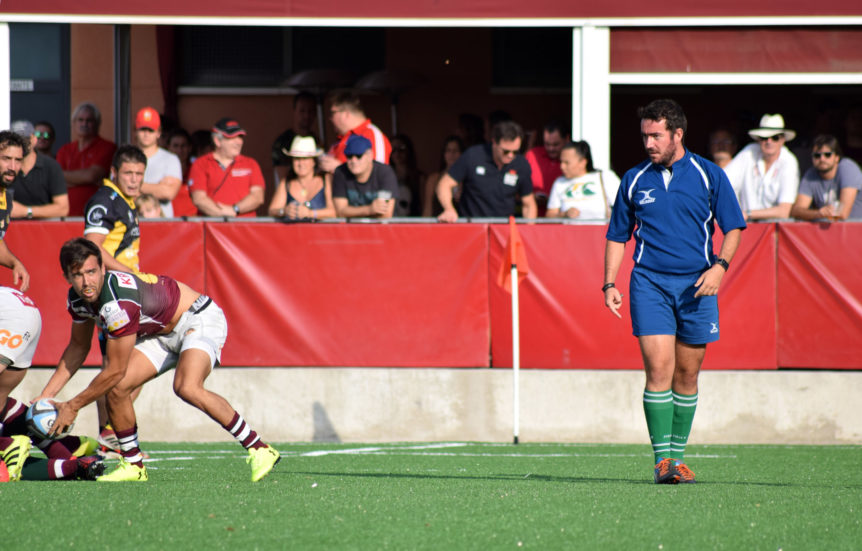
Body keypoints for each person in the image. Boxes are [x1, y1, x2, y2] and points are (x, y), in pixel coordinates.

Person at [38, 238, 281, 482]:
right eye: (78, 275)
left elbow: (115, 370)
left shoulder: (117, 304)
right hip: (161, 333)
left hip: (197, 318)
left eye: (91, 272)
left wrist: (73, 405)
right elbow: (78, 347)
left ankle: (260, 448)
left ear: (103, 269)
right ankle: (134, 465)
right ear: (67, 277)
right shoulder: (77, 300)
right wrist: (45, 397)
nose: (86, 281)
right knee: (117, 391)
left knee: (186, 387)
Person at [603, 99, 746, 484]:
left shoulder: (709, 174)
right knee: (659, 369)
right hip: (649, 284)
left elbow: (733, 227)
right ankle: (662, 462)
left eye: (656, 135)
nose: (648, 143)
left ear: (677, 135)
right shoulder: (633, 178)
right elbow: (617, 235)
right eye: (645, 135)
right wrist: (609, 282)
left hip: (698, 287)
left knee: (687, 374)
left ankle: (678, 459)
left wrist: (720, 268)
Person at [0, 286, 104, 482]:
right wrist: (13, 262)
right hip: (22, 307)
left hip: (10, 315)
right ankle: (72, 459)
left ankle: (6, 445)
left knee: (7, 465)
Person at [437, 120, 537, 222]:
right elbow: (445, 184)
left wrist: (529, 230)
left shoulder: (521, 164)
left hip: (504, 229)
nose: (510, 155)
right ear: (494, 142)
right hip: (472, 226)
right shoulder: (473, 156)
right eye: (506, 151)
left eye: (515, 152)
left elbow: (528, 203)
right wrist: (449, 209)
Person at [724, 113, 800, 221]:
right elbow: (723, 182)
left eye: (775, 137)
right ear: (758, 139)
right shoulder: (749, 152)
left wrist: (747, 213)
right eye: (764, 137)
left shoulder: (789, 161)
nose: (769, 141)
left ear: (783, 140)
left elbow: (784, 211)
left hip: (775, 230)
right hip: (746, 226)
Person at [189, 118, 265, 217]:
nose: (238, 142)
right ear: (217, 141)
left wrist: (235, 209)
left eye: (240, 137)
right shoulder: (201, 164)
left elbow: (258, 197)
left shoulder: (251, 164)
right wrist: (222, 215)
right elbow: (199, 198)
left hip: (245, 229)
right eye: (232, 137)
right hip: (212, 228)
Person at [56, 102, 118, 216]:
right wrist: (84, 180)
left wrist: (67, 179)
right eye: (80, 120)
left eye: (89, 120)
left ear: (97, 124)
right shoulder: (64, 150)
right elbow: (55, 179)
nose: (84, 124)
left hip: (97, 214)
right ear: (73, 123)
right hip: (66, 215)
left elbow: (91, 176)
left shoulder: (107, 147)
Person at [790, 134, 862, 221]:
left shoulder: (848, 168)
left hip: (855, 230)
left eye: (827, 155)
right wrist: (818, 213)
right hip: (827, 231)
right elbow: (796, 211)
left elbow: (842, 214)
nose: (822, 159)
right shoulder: (811, 174)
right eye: (817, 155)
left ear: (837, 157)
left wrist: (819, 214)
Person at [8, 120, 69, 219]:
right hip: (9, 230)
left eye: (25, 139)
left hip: (44, 230)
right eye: (15, 141)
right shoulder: (4, 167)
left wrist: (26, 211)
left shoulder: (51, 166)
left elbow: (63, 208)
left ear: (34, 139)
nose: (20, 144)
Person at [545, 141, 621, 220]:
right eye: (561, 162)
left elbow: (624, 205)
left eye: (567, 163)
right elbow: (550, 214)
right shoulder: (559, 182)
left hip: (601, 231)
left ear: (583, 162)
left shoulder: (605, 177)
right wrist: (564, 214)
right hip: (569, 232)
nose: (562, 166)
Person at [319, 90, 391, 173]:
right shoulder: (342, 139)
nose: (330, 118)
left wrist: (339, 168)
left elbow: (378, 175)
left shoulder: (372, 135)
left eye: (332, 113)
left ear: (346, 114)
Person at [267, 136, 335, 221]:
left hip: (322, 233)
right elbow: (272, 211)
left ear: (313, 161)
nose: (301, 163)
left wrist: (310, 213)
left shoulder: (326, 179)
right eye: (297, 159)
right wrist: (284, 211)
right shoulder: (286, 182)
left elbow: (334, 212)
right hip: (294, 233)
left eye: (305, 158)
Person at [332, 135, 398, 219]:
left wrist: (351, 212)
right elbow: (340, 212)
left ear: (370, 155)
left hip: (381, 228)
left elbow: (385, 214)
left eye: (359, 156)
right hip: (351, 229)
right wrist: (369, 209)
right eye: (349, 156)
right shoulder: (341, 172)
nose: (353, 161)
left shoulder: (384, 173)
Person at [134, 107, 182, 217]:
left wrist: (131, 186)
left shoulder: (171, 159)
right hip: (131, 223)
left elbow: (168, 193)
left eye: (150, 130)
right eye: (142, 129)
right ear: (135, 131)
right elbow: (117, 189)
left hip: (162, 224)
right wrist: (157, 187)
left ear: (159, 132)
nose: (146, 134)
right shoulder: (125, 157)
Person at [0, 131, 31, 293]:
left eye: (18, 160)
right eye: (6, 159)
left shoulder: (6, 199)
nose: (12, 167)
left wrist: (14, 262)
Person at [271, 92, 318, 186]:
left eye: (310, 111)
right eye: (302, 111)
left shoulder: (317, 140)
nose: (306, 116)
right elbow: (282, 177)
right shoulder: (283, 142)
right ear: (294, 111)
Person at [525, 120, 570, 215]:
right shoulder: (532, 155)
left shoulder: (573, 161)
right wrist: (530, 197)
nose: (551, 148)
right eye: (547, 144)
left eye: (556, 144)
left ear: (567, 139)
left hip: (564, 221)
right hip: (534, 218)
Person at [422, 136, 464, 217]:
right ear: (444, 154)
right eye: (448, 150)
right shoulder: (434, 179)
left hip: (464, 226)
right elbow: (427, 209)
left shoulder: (468, 179)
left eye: (456, 150)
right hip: (439, 226)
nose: (452, 154)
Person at [165, 128, 198, 217]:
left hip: (193, 222)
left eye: (183, 146)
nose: (180, 150)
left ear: (189, 148)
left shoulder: (197, 168)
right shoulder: (162, 169)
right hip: (168, 221)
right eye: (175, 146)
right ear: (168, 147)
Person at [389, 134, 424, 216]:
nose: (397, 153)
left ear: (409, 150)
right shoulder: (385, 176)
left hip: (412, 222)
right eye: (393, 149)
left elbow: (423, 207)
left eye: (401, 148)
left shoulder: (419, 178)